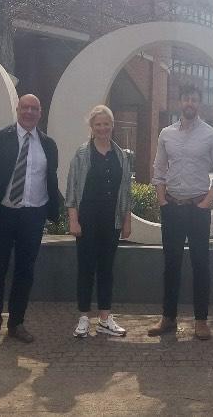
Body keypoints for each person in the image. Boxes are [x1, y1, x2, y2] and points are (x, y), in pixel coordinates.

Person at [0, 94, 62, 349]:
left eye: (34, 108)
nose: (29, 112)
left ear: (40, 112)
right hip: (2, 214)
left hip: (32, 216)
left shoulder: (48, 145)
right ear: (17, 109)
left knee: (25, 272)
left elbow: (50, 177)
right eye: (25, 107)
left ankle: (16, 324)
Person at [148, 84, 213, 340]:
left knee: (200, 265)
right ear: (180, 102)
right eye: (186, 99)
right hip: (172, 207)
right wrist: (162, 200)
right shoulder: (166, 134)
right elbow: (158, 169)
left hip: (197, 209)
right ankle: (168, 318)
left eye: (194, 99)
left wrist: (206, 203)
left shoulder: (212, 135)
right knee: (170, 266)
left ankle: (201, 320)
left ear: (199, 104)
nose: (190, 103)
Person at [65, 105, 133, 338]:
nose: (103, 128)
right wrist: (73, 221)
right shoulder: (82, 154)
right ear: (92, 128)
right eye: (98, 124)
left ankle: (105, 319)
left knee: (106, 270)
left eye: (106, 124)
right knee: (86, 268)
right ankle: (84, 317)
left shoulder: (121, 156)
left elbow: (126, 191)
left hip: (111, 221)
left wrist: (127, 221)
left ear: (112, 126)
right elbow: (72, 189)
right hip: (86, 220)